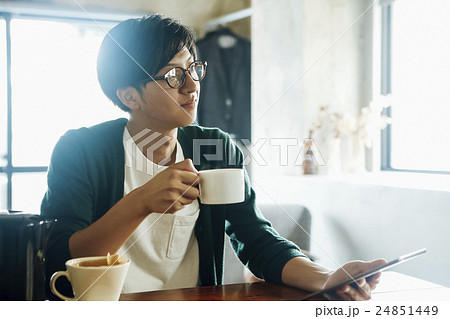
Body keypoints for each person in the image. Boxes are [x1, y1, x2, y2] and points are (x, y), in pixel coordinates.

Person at [41, 14, 386, 300]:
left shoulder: (215, 147)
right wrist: (140, 202)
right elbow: (61, 256)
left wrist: (327, 276)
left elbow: (256, 239)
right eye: (174, 76)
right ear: (130, 96)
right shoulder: (81, 151)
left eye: (193, 69)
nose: (192, 86)